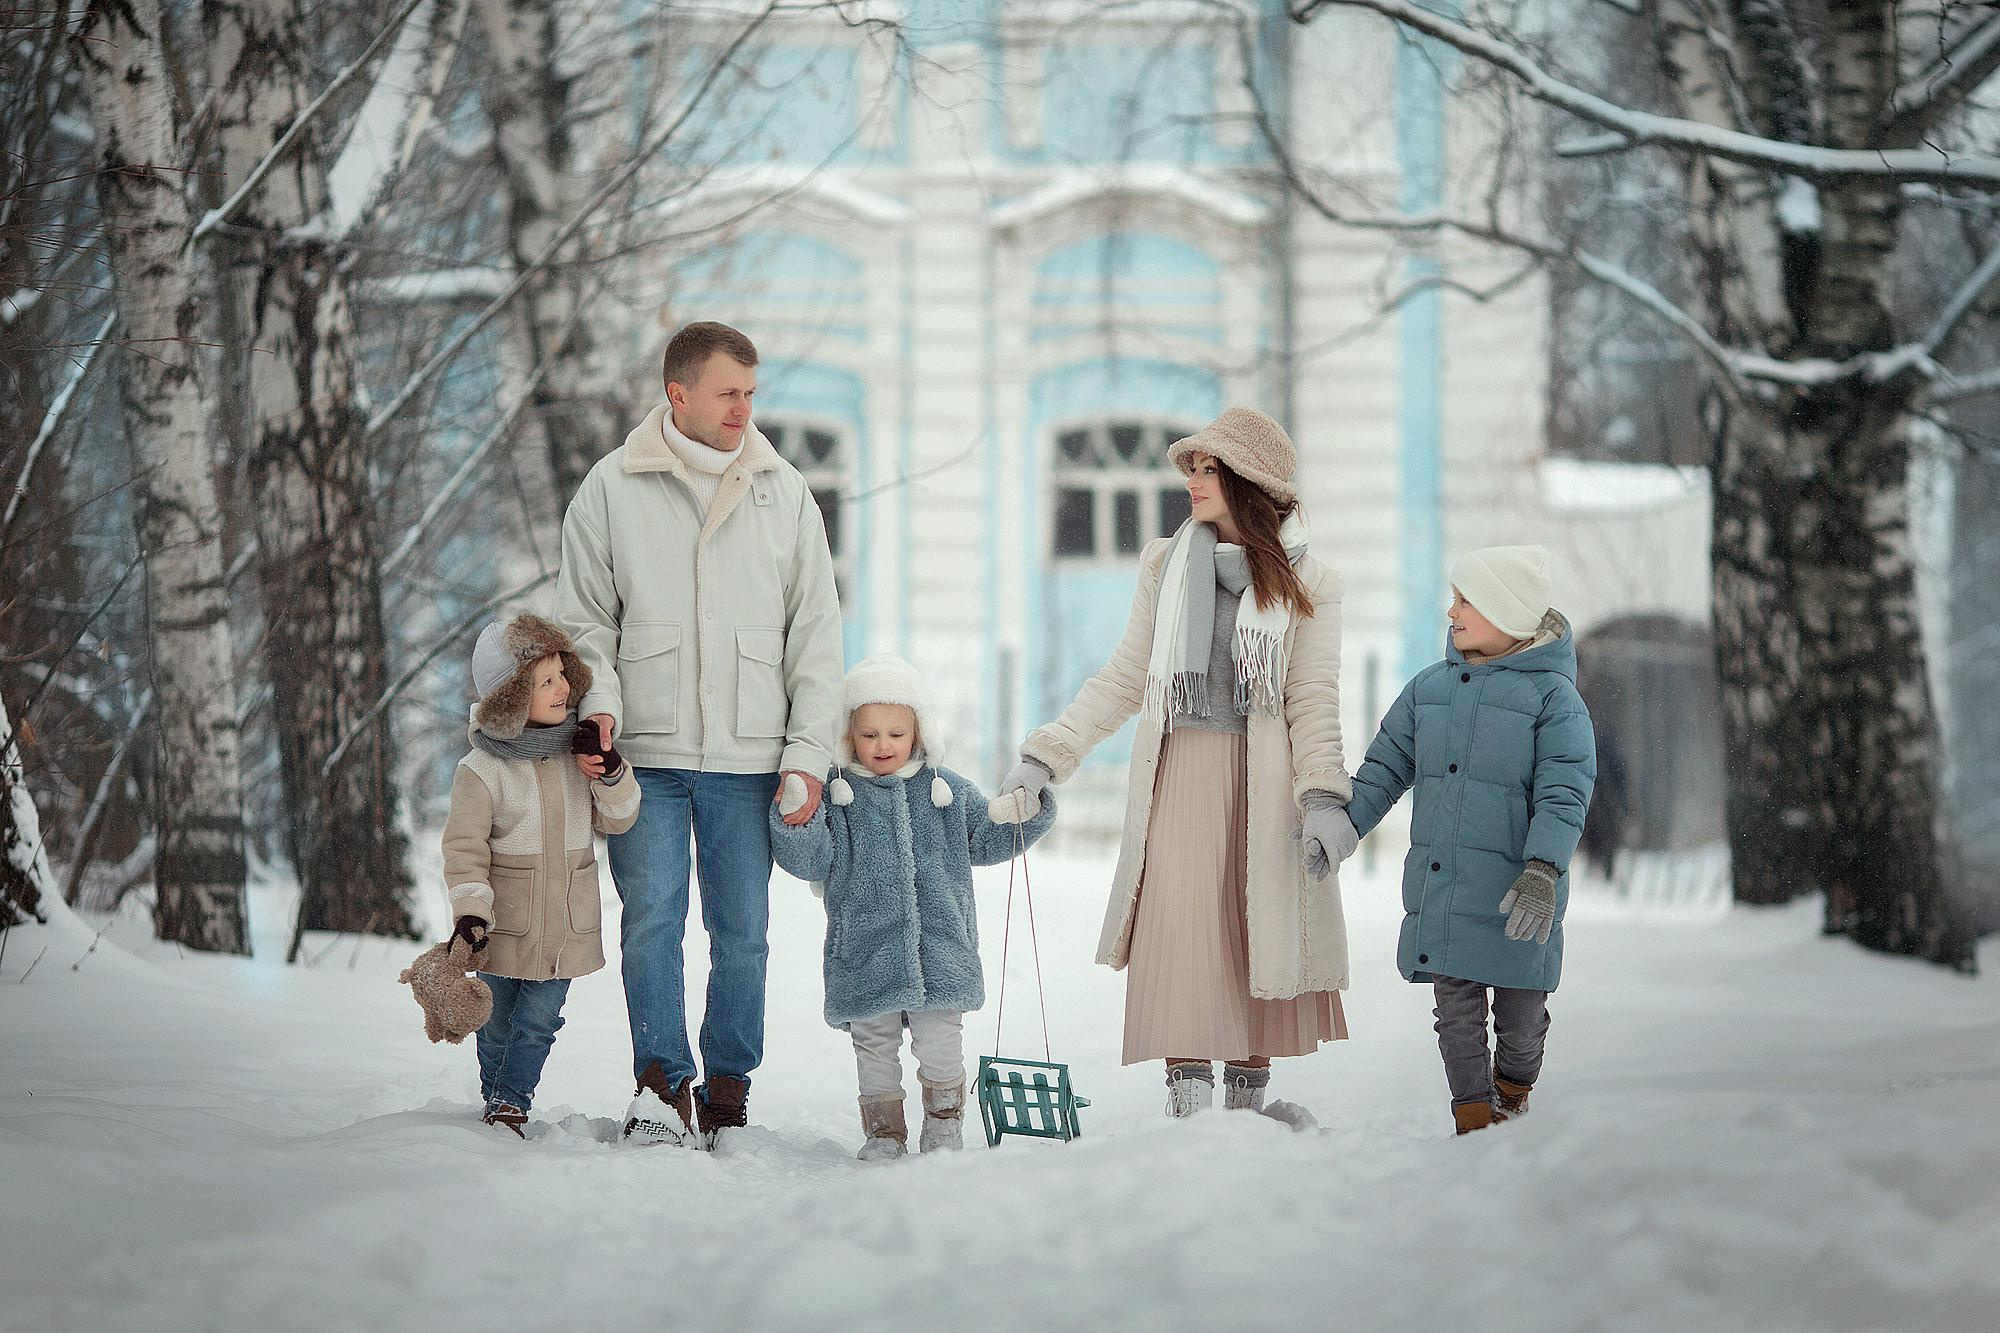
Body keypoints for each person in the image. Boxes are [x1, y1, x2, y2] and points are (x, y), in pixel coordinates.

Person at [996, 407, 1352, 1117]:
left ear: (1248, 480)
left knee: (1257, 941)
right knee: (1182, 939)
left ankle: (1245, 1124)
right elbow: (1127, 676)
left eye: (1208, 467)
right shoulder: (1166, 564)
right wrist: (1045, 755)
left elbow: (1312, 699)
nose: (1192, 479)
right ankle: (1187, 1127)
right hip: (1181, 779)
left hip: (1265, 786)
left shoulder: (1311, 579)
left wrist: (1321, 797)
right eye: (1191, 466)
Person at [556, 321, 844, 1149]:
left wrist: (806, 754)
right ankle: (659, 1082)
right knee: (651, 919)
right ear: (678, 394)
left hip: (750, 754)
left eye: (752, 394)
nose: (744, 410)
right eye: (729, 393)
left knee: (743, 931)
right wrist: (598, 703)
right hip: (644, 750)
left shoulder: (783, 490)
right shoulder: (611, 488)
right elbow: (585, 618)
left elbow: (815, 632)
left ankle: (727, 1084)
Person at [1334, 545, 1596, 1134]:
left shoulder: (1556, 701)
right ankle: (1474, 1118)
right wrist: (1345, 826)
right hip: (1448, 888)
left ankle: (1513, 1086)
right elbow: (1384, 769)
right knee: (1455, 1012)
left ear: (1506, 614)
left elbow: (1564, 792)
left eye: (1465, 599)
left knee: (1522, 1018)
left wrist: (1543, 870)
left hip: (1517, 893)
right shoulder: (1429, 690)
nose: (1450, 610)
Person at [767, 654, 1056, 1159]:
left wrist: (1024, 813)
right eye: (870, 734)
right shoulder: (838, 797)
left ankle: (944, 1122)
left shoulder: (946, 791)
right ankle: (884, 1133)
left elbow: (987, 839)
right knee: (874, 1046)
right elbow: (810, 862)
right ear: (849, 735)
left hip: (941, 948)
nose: (883, 746)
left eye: (896, 734)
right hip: (864, 949)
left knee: (940, 1043)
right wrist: (796, 815)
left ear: (917, 733)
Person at [439, 614, 641, 1136]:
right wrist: (469, 914)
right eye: (544, 680)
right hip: (506, 925)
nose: (563, 689)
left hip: (564, 925)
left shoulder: (578, 752)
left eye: (563, 675)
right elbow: (464, 849)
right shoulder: (481, 769)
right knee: (497, 1021)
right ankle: (494, 1096)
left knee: (540, 1021)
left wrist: (611, 770)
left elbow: (619, 818)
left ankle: (511, 1101)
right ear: (510, 695)